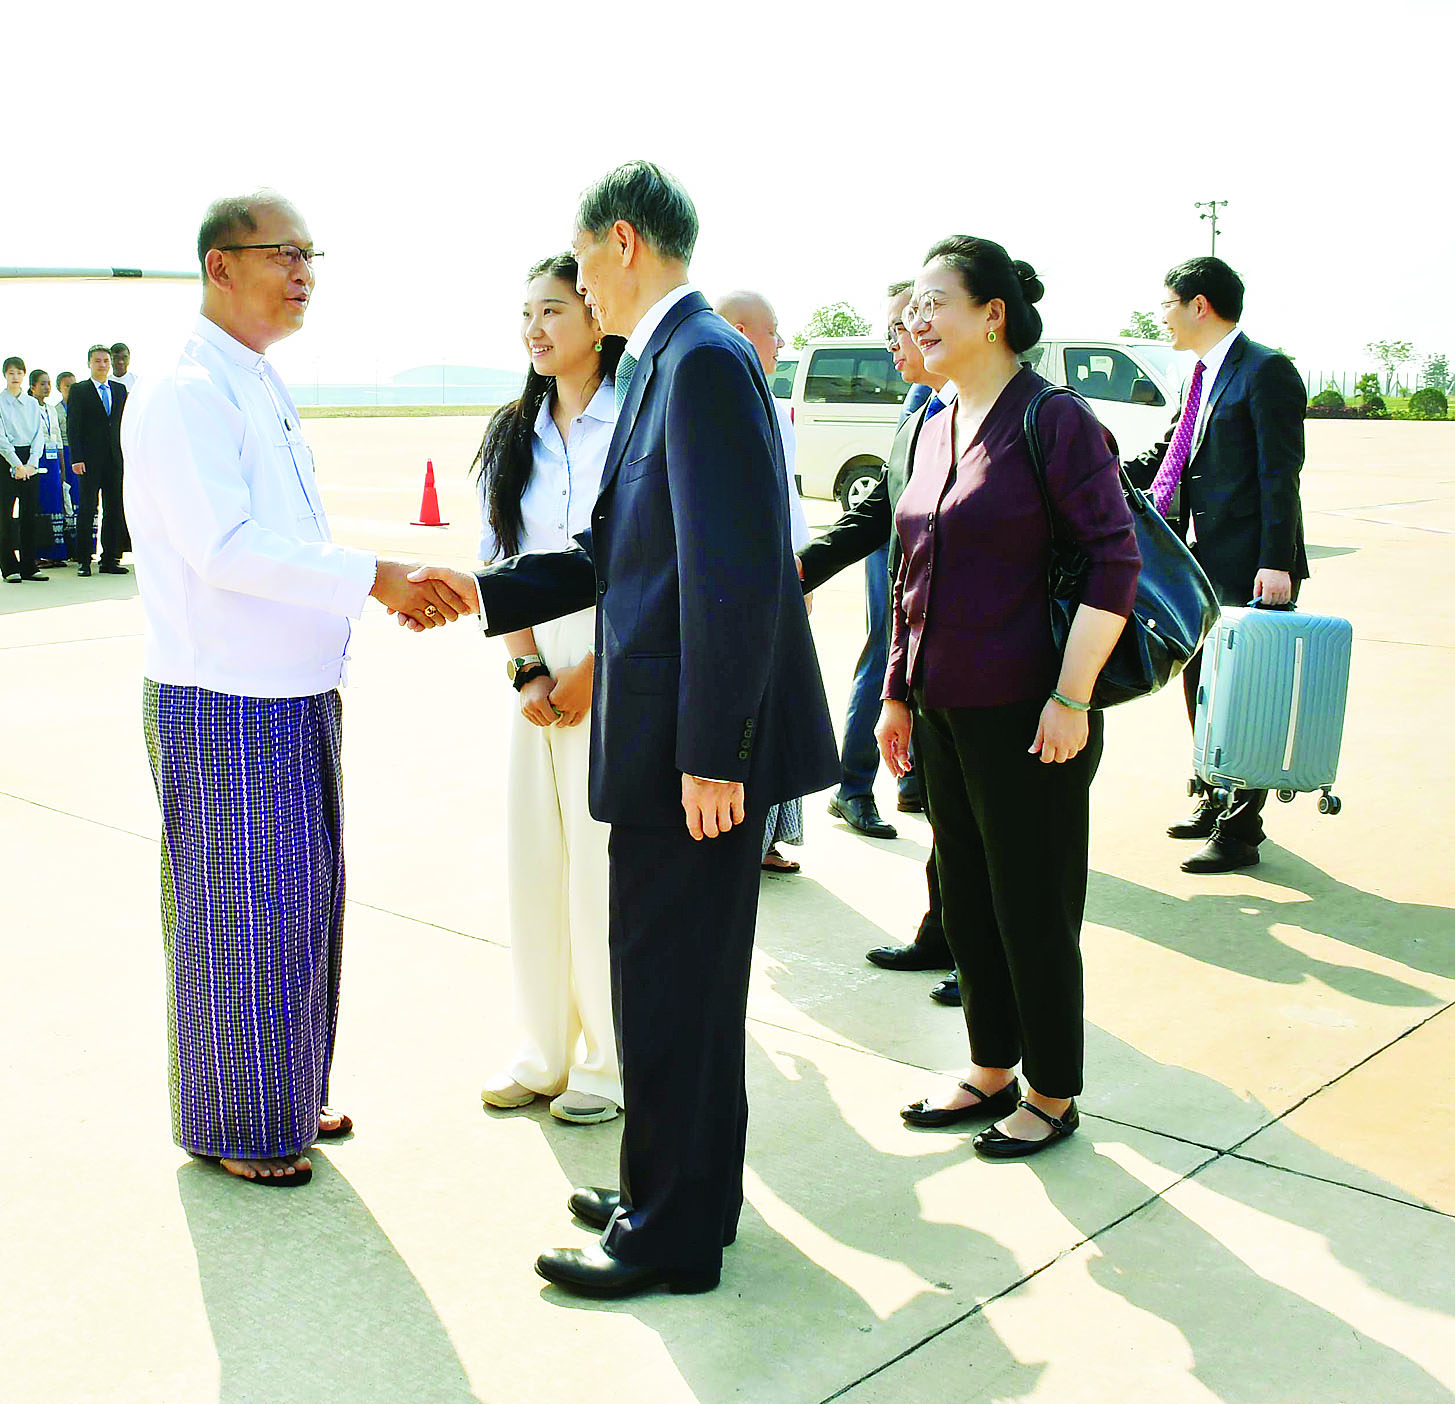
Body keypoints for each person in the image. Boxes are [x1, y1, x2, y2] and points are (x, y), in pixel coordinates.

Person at [413, 161, 839, 1296]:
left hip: (685, 755)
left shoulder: (698, 362)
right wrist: (483, 589)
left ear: (621, 242)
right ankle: (681, 1192)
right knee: (673, 986)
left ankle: (669, 1236)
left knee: (668, 987)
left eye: (580, 261)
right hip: (669, 745)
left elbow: (735, 577)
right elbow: (624, 553)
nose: (578, 284)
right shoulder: (671, 360)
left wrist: (714, 755)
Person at [121, 190, 464, 1187]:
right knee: (240, 919)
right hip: (225, 697)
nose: (304, 273)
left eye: (312, 254)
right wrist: (375, 577)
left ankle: (285, 1089)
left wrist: (368, 585)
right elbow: (225, 549)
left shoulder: (255, 379)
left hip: (293, 690)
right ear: (220, 265)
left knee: (300, 908)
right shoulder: (188, 388)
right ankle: (237, 1120)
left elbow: (289, 534)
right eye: (283, 253)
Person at [877, 236, 1139, 1158]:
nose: (916, 319)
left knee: (1031, 906)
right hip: (941, 706)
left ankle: (1052, 1092)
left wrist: (1072, 697)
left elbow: (1112, 560)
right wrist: (896, 693)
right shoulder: (935, 420)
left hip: (1031, 712)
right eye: (912, 304)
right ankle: (989, 1066)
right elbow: (911, 568)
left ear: (992, 315)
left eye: (934, 301)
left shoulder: (1052, 419)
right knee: (966, 900)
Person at [475, 253, 625, 1127]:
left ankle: (609, 1063)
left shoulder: (635, 419)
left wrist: (597, 670)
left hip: (622, 659)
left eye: (553, 310)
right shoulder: (513, 434)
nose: (534, 329)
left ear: (597, 318)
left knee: (605, 872)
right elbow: (501, 561)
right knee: (535, 863)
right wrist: (526, 668)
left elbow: (653, 562)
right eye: (526, 313)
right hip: (537, 662)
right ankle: (544, 1052)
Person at [1126, 256, 1308, 875]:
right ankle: (1212, 794)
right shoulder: (1198, 375)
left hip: (1251, 564)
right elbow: (1170, 453)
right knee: (1202, 685)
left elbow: (1280, 474)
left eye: (1166, 304)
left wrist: (1277, 563)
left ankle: (1241, 831)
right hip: (1196, 562)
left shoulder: (1266, 371)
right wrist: (1101, 473)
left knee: (1246, 694)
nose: (1161, 316)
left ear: (1198, 305)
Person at [797, 282, 955, 985]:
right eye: (900, 324)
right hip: (932, 651)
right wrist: (798, 568)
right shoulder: (924, 417)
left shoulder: (1036, 415)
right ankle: (944, 935)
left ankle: (983, 963)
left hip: (1001, 664)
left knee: (991, 830)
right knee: (952, 819)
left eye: (919, 318)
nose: (903, 337)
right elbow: (877, 515)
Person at [716, 289, 812, 875]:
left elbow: (788, 498)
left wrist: (803, 566)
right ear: (739, 331)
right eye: (773, 330)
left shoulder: (775, 408)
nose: (780, 343)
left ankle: (769, 835)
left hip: (783, 577)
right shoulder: (713, 401)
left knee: (777, 713)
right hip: (742, 591)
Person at [68, 344, 128, 576]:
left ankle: (110, 559)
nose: (102, 365)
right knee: (87, 509)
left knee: (114, 509)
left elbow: (124, 424)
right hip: (89, 461)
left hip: (115, 460)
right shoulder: (79, 390)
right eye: (97, 361)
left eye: (105, 361)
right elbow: (74, 426)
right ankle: (84, 560)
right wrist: (77, 458)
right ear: (89, 364)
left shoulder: (119, 390)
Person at [1, 356, 49, 583]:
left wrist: (32, 463)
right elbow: (1, 438)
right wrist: (16, 464)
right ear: (5, 375)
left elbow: (39, 434)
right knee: (5, 515)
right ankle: (9, 567)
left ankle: (29, 565)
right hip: (6, 459)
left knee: (30, 515)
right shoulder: (1, 401)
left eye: (19, 373)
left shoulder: (31, 403)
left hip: (30, 460)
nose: (15, 377)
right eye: (11, 373)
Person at [28, 370, 69, 565]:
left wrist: (62, 466)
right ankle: (37, 554)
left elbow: (58, 437)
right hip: (37, 457)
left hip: (53, 460)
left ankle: (55, 553)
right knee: (40, 503)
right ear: (33, 387)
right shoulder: (29, 407)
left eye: (48, 383)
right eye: (42, 383)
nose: (46, 387)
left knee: (55, 502)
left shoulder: (51, 409)